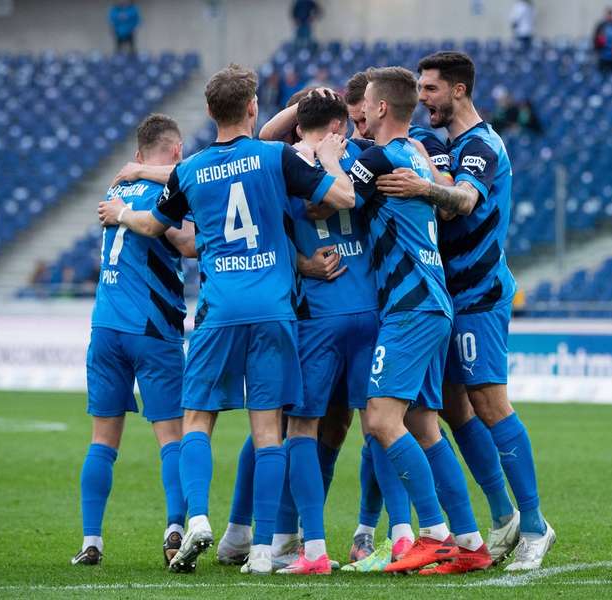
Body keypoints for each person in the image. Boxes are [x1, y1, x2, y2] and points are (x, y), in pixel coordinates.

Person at [97, 64, 355, 575]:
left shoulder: (190, 170)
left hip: (219, 308)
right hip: (274, 309)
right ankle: (262, 550)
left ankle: (197, 517)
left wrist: (120, 215)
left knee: (197, 420)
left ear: (209, 113)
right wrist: (329, 158)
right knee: (267, 430)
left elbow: (160, 226)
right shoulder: (276, 156)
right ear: (253, 108)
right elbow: (340, 197)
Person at [214, 89, 414, 575]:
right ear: (343, 122)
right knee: (381, 426)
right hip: (369, 308)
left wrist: (302, 264)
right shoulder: (365, 156)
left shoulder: (281, 163)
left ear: (298, 127)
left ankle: (312, 547)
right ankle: (404, 535)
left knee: (294, 429)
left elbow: (262, 144)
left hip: (317, 316)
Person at [376, 50, 556, 571]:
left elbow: (464, 201)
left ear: (458, 90)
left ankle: (536, 526)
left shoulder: (483, 145)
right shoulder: (432, 142)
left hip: (478, 294)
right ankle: (503, 520)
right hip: (441, 296)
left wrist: (423, 187)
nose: (423, 98)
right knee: (453, 410)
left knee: (490, 401)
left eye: (430, 89)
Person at [347, 66, 492, 575]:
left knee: (382, 420)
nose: (360, 111)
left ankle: (432, 533)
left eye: (365, 103)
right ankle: (472, 542)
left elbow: (334, 197)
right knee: (425, 426)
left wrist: (320, 152)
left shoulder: (382, 156)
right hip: (434, 304)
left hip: (409, 308)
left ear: (382, 108)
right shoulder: (418, 154)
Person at [72, 114, 195, 568]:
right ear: (177, 151)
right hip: (152, 329)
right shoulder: (172, 189)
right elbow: (189, 244)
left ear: (139, 154)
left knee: (102, 440)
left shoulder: (116, 191)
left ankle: (91, 540)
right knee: (172, 437)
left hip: (105, 328)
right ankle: (175, 530)